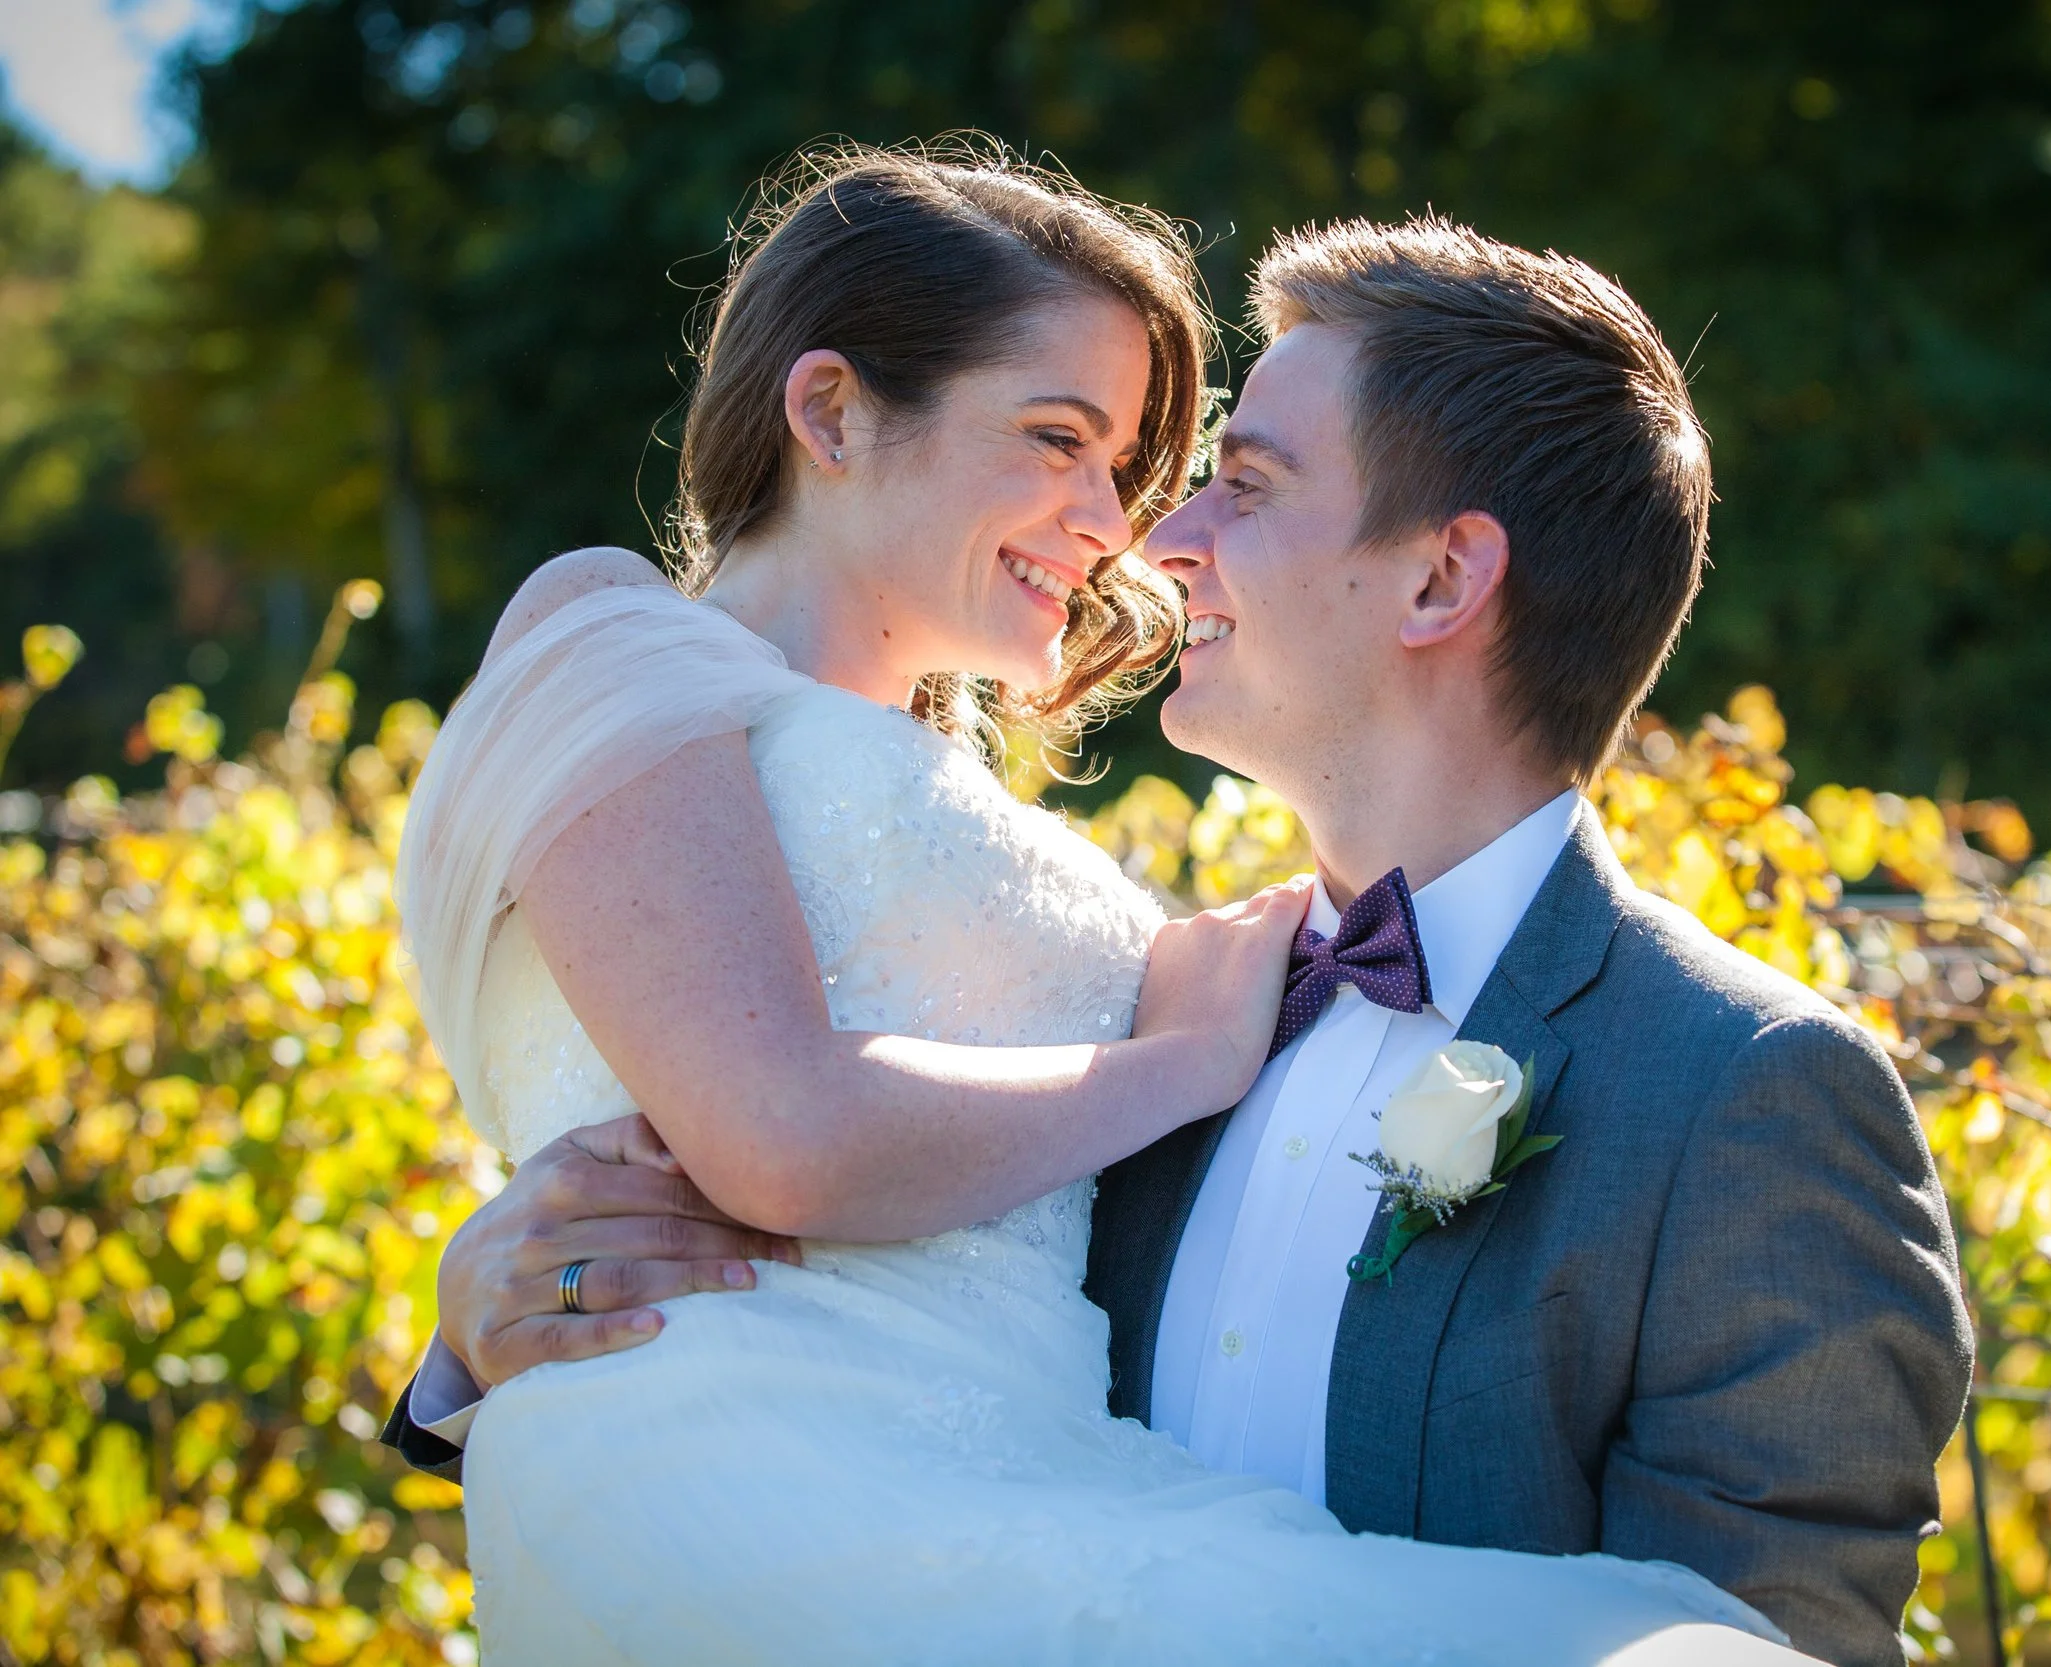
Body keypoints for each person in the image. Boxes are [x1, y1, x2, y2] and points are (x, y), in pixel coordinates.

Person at [389, 142, 1812, 1664]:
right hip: (782, 1511)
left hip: (1050, 1485)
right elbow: (777, 1133)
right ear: (831, 411)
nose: (1120, 525)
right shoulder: (614, 636)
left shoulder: (1013, 833)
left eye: (1127, 466)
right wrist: (463, 1353)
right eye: (1059, 439)